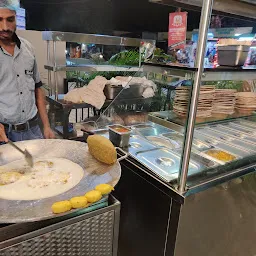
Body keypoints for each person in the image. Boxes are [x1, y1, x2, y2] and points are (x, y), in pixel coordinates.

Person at [0, 1, 55, 143]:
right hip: (5, 134)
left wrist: (47, 126)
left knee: (40, 165)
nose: (5, 27)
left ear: (16, 19)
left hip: (33, 129)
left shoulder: (28, 48)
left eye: (10, 20)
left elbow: (37, 88)